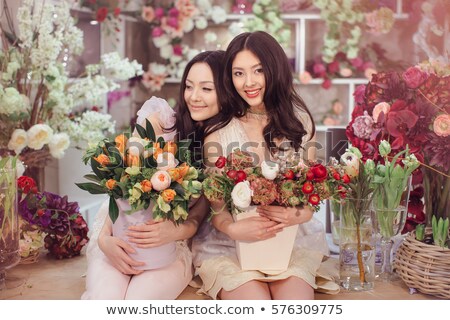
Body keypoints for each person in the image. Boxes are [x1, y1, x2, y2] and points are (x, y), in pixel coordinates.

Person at [191, 31, 339, 300]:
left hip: (292, 242)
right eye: (238, 73)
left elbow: (311, 194)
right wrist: (233, 228)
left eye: (258, 70)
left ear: (274, 69)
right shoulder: (218, 134)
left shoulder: (301, 124)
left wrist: (300, 214)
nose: (249, 82)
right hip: (231, 246)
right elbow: (218, 211)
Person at [81, 50, 228, 300]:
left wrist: (173, 232)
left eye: (206, 89)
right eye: (189, 86)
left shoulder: (222, 143)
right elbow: (122, 184)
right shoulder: (159, 119)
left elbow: (199, 214)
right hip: (119, 233)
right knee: (105, 299)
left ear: (226, 92)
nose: (194, 97)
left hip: (172, 244)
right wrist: (105, 239)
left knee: (141, 302)